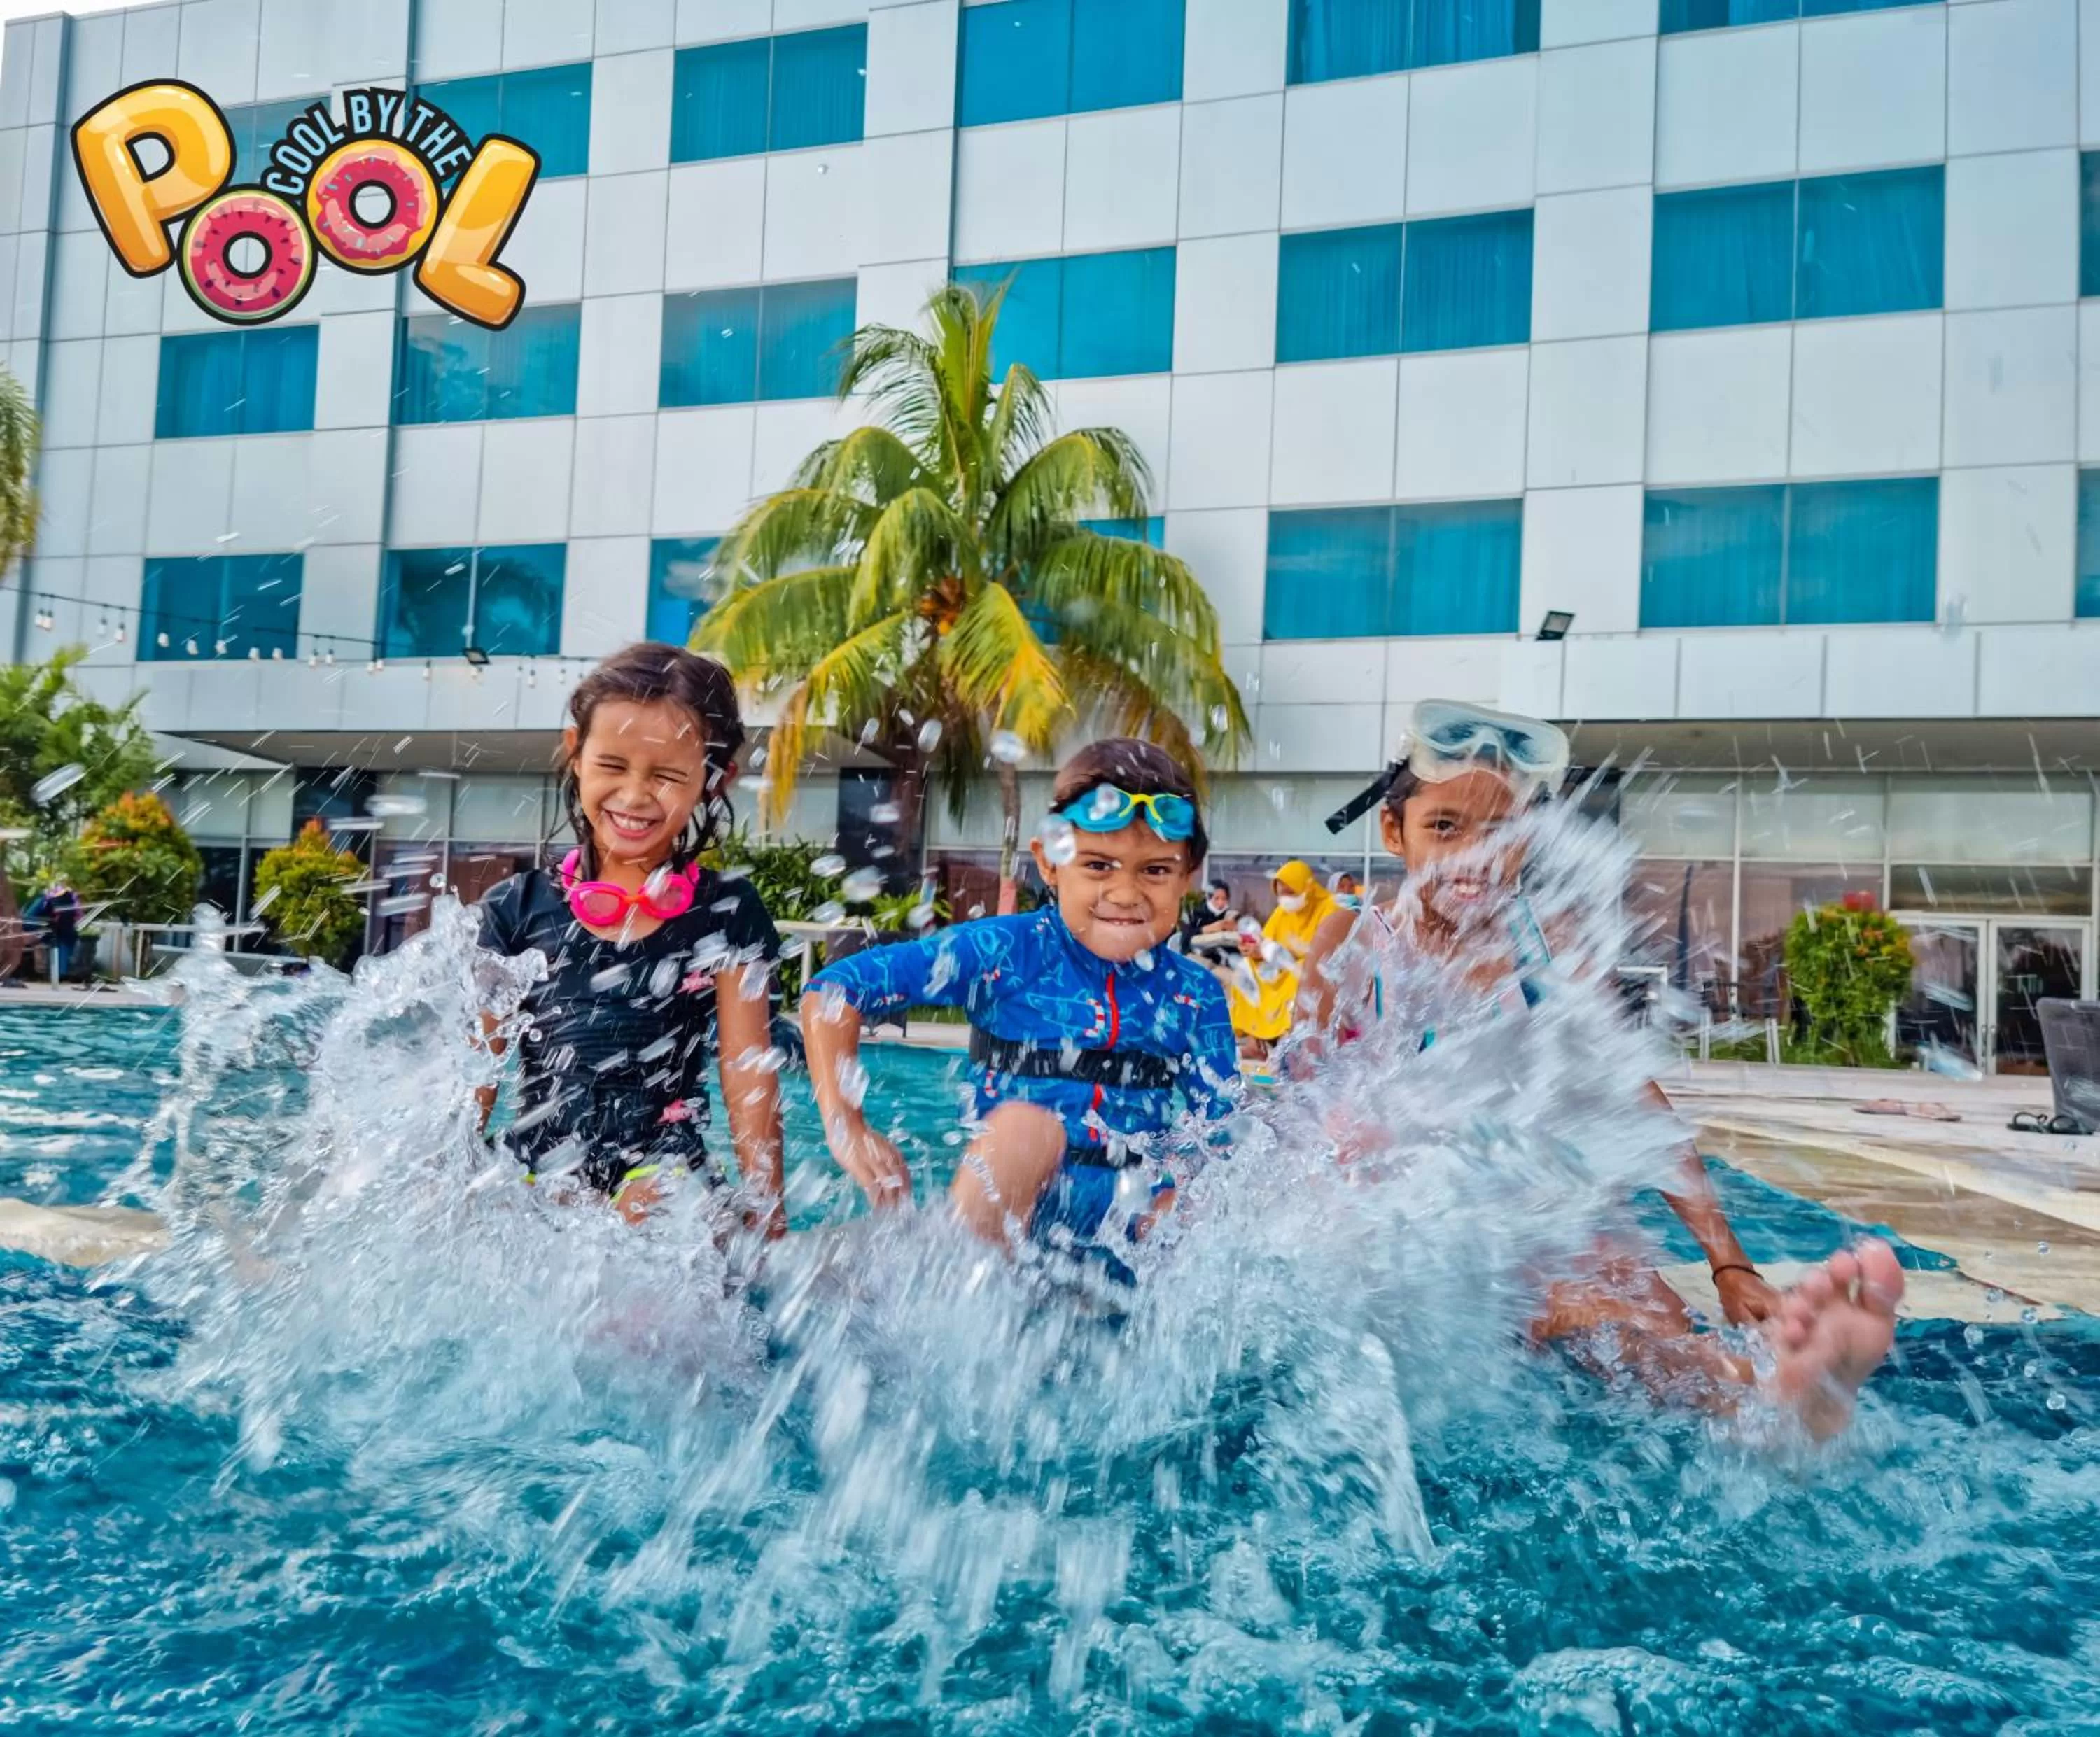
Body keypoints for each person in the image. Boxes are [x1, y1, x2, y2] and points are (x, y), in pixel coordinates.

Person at [1297, 699, 1903, 1439]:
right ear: (1395, 831)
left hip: (1526, 1204)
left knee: (1637, 1308)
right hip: (1408, 1222)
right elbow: (1306, 1106)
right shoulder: (1351, 939)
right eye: (1445, 827)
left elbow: (1629, 1095)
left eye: (1501, 831)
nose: (1474, 857)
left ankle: (1783, 1403)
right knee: (1560, 1294)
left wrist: (1729, 1263)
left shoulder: (1545, 943)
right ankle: (1767, 1397)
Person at [801, 738, 1239, 1273]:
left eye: (1155, 871)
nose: (1126, 894)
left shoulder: (1193, 993)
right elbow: (836, 989)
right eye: (1099, 865)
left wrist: (1178, 1200)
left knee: (1208, 1202)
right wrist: (844, 1122)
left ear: (1187, 876)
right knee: (1026, 1131)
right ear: (1050, 863)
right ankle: (959, 1300)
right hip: (999, 1217)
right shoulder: (1004, 950)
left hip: (1124, 1228)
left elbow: (1218, 1132)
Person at [474, 643, 785, 1233]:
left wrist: (768, 1209)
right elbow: (474, 1075)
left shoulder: (727, 912)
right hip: (536, 1164)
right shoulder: (516, 910)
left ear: (714, 781)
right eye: (613, 766)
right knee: (524, 1211)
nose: (636, 796)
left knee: (653, 1220)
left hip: (665, 1167)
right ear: (576, 754)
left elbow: (747, 1072)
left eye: (667, 776)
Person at [1225, 859, 1335, 1057]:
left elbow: (1323, 950)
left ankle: (1288, 1038)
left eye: (1290, 892)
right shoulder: (1283, 912)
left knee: (1299, 972)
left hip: (1313, 967)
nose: (1285, 899)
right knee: (1246, 969)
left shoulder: (1329, 907)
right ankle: (1254, 1041)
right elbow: (1265, 941)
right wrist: (1254, 951)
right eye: (1281, 893)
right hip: (1282, 966)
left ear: (1306, 887)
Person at [26, 878, 80, 984]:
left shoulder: (46, 898)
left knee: (61, 942)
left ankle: (59, 974)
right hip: (59, 929)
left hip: (54, 928)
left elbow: (29, 918)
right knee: (63, 942)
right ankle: (61, 974)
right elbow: (78, 916)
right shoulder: (72, 899)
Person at [1176, 878, 1236, 955]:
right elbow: (1185, 939)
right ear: (1209, 898)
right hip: (1196, 957)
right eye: (1216, 898)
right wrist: (1206, 929)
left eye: (1224, 899)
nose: (1220, 903)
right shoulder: (1195, 913)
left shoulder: (1229, 916)